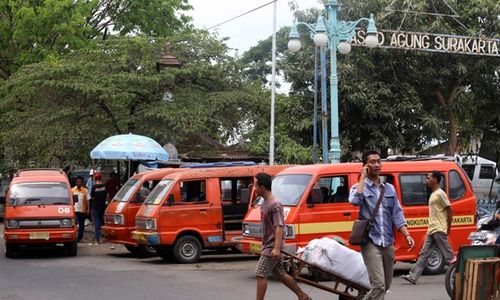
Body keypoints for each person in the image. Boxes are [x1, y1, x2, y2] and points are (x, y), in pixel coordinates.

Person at [349, 150, 414, 300]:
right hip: (371, 242)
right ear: (365, 166)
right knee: (379, 285)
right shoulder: (359, 187)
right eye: (372, 162)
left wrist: (407, 234)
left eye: (378, 161)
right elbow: (355, 201)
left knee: (385, 285)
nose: (377, 164)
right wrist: (362, 178)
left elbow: (397, 214)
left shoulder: (389, 189)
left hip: (388, 243)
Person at [254, 172, 310, 300]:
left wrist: (276, 248)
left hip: (272, 246)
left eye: (256, 186)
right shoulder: (264, 204)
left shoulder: (275, 204)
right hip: (269, 245)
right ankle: (302, 296)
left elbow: (279, 227)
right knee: (280, 274)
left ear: (262, 187)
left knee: (260, 274)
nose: (254, 189)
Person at [400, 171, 455, 285]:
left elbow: (450, 210)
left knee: (449, 256)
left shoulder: (440, 193)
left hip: (439, 229)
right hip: (432, 230)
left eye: (428, 178)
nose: (426, 180)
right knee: (424, 253)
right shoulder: (434, 194)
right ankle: (413, 276)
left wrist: (448, 228)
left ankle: (461, 273)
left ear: (435, 180)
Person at [71, 176, 90, 242]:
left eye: (80, 182)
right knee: (75, 223)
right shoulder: (72, 190)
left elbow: (88, 200)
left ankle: (80, 238)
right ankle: (74, 237)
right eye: (78, 182)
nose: (79, 183)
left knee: (82, 225)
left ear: (82, 182)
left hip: (82, 210)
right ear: (76, 182)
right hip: (74, 210)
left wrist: (88, 209)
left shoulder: (85, 190)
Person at [90, 172, 107, 244]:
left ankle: (97, 239)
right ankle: (103, 237)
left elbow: (92, 196)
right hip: (102, 206)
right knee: (102, 222)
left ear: (95, 179)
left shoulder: (94, 187)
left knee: (96, 222)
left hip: (96, 207)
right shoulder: (104, 186)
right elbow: (106, 195)